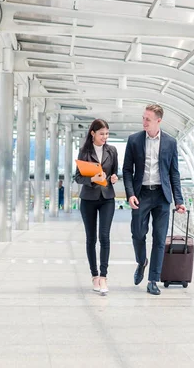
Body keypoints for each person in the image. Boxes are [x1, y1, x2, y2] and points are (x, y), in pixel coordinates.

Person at [123, 104, 186, 296]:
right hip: (141, 194)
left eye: (148, 119)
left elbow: (174, 172)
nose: (144, 122)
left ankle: (153, 280)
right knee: (137, 234)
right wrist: (130, 193)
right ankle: (142, 262)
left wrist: (179, 200)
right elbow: (127, 170)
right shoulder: (134, 140)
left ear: (158, 121)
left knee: (159, 239)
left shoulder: (170, 142)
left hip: (162, 196)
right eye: (143, 118)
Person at [74, 119, 119, 295]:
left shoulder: (112, 151)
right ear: (93, 133)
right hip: (88, 199)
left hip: (107, 197)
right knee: (91, 238)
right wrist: (91, 179)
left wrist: (115, 177)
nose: (105, 137)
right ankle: (94, 276)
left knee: (105, 237)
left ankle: (104, 276)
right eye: (102, 134)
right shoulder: (84, 151)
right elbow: (77, 177)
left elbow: (115, 172)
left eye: (107, 134)